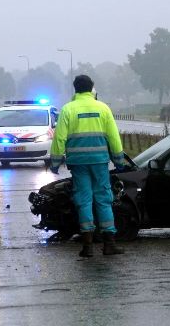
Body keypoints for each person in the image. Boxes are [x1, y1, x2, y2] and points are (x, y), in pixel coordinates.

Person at [50, 75, 127, 256]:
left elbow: (59, 138)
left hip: (78, 164)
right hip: (100, 162)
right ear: (92, 88)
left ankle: (87, 246)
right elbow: (113, 137)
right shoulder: (103, 108)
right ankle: (109, 244)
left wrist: (54, 162)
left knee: (84, 200)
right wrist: (119, 161)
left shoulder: (67, 110)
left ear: (75, 88)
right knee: (104, 199)